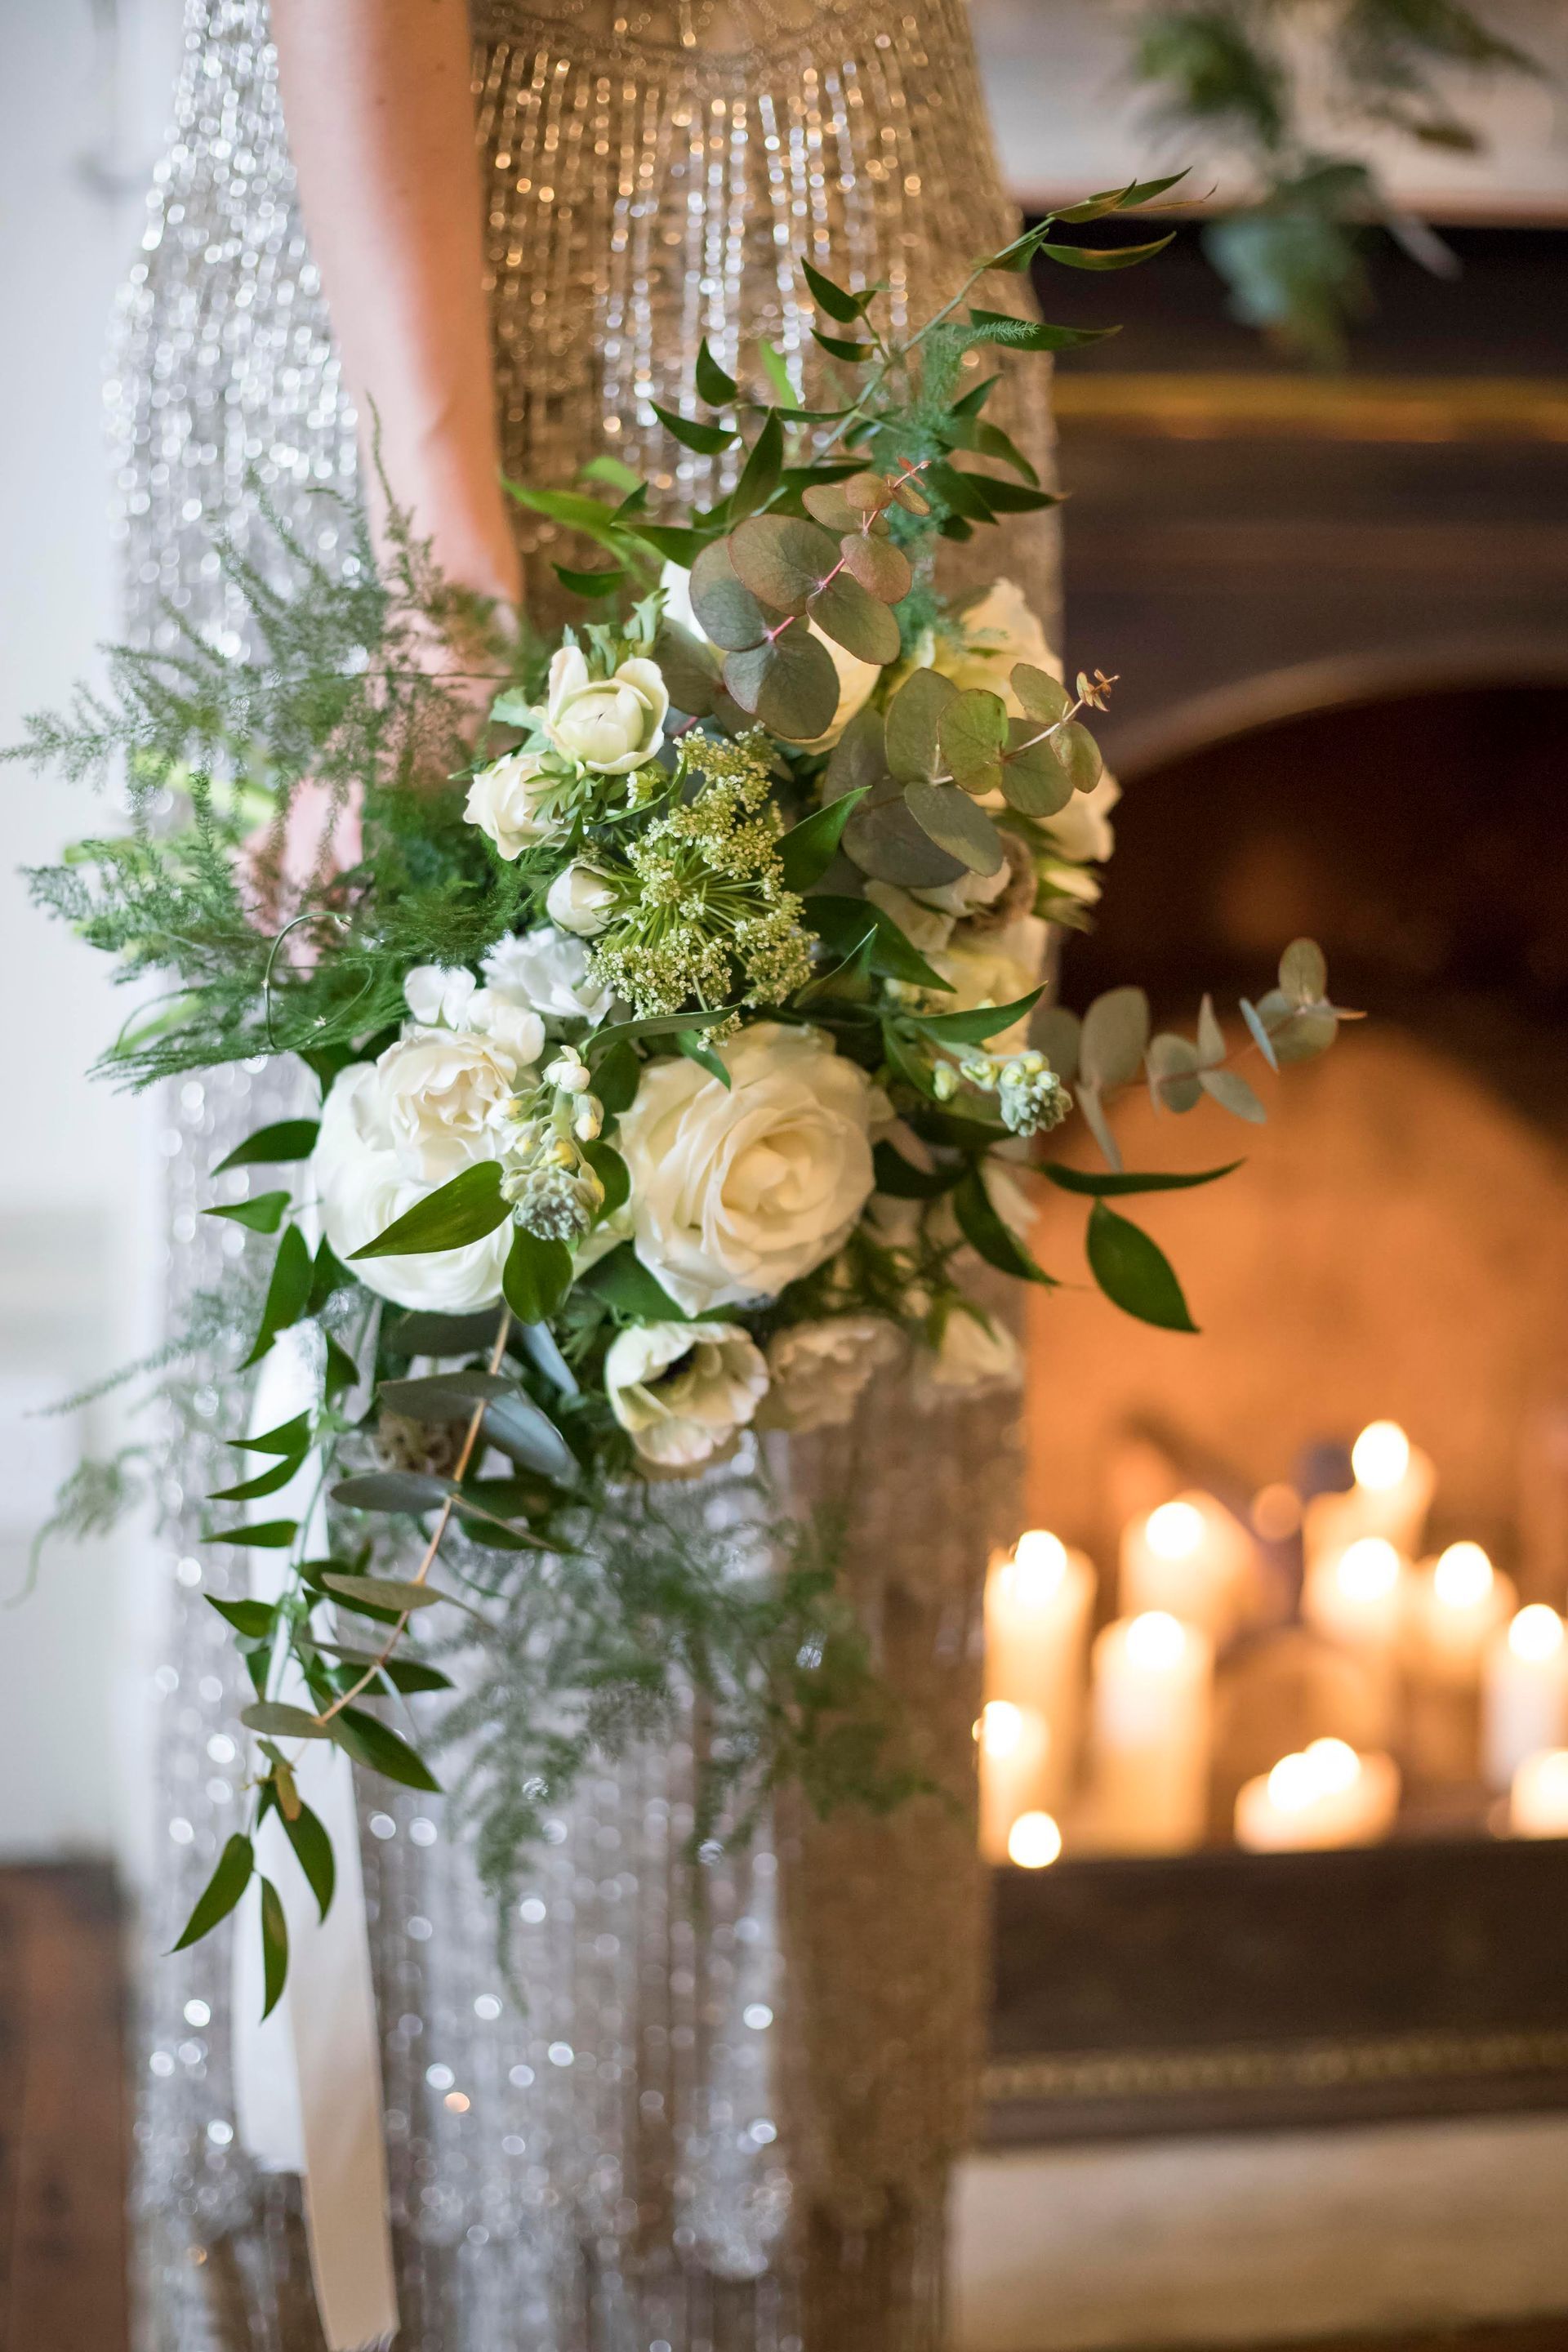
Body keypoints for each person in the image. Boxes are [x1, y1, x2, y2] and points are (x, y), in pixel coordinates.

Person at [114, 4, 1054, 2343]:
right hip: (517, 320)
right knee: (472, 1387)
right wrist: (440, 570)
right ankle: (467, 2272)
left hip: (862, 252)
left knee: (808, 1357)